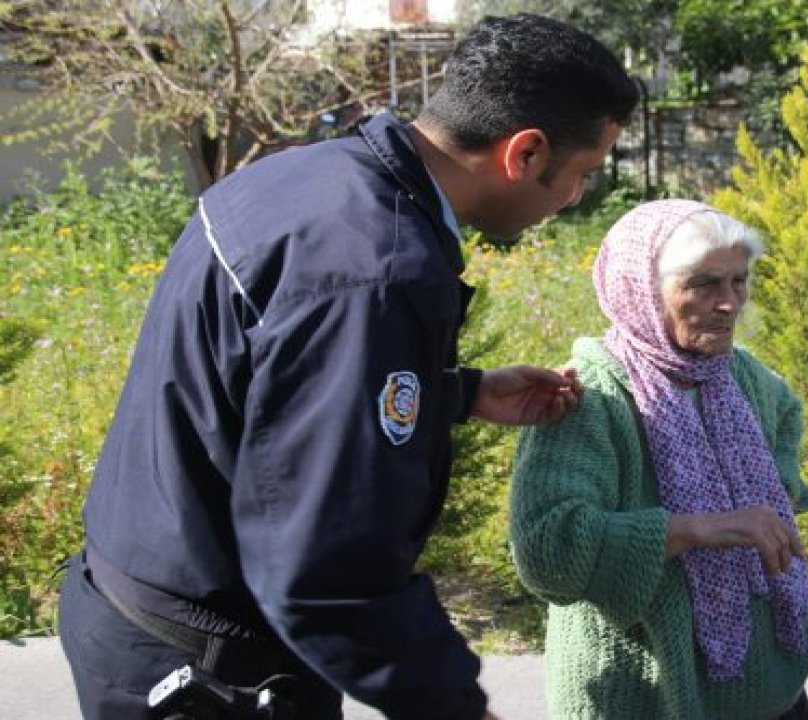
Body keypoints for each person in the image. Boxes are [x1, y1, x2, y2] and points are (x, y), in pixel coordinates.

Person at [57, 13, 638, 720]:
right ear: (525, 152)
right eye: (581, 174)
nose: (576, 197)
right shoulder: (378, 272)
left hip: (130, 597)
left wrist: (457, 393)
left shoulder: (302, 177)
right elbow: (327, 562)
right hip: (209, 669)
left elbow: (272, 390)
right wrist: (455, 707)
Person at [509, 200, 808, 719]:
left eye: (739, 281)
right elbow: (548, 551)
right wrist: (698, 529)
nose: (729, 304)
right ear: (642, 290)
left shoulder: (741, 378)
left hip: (769, 693)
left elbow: (786, 428)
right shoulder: (591, 396)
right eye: (704, 284)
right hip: (648, 699)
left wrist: (772, 493)